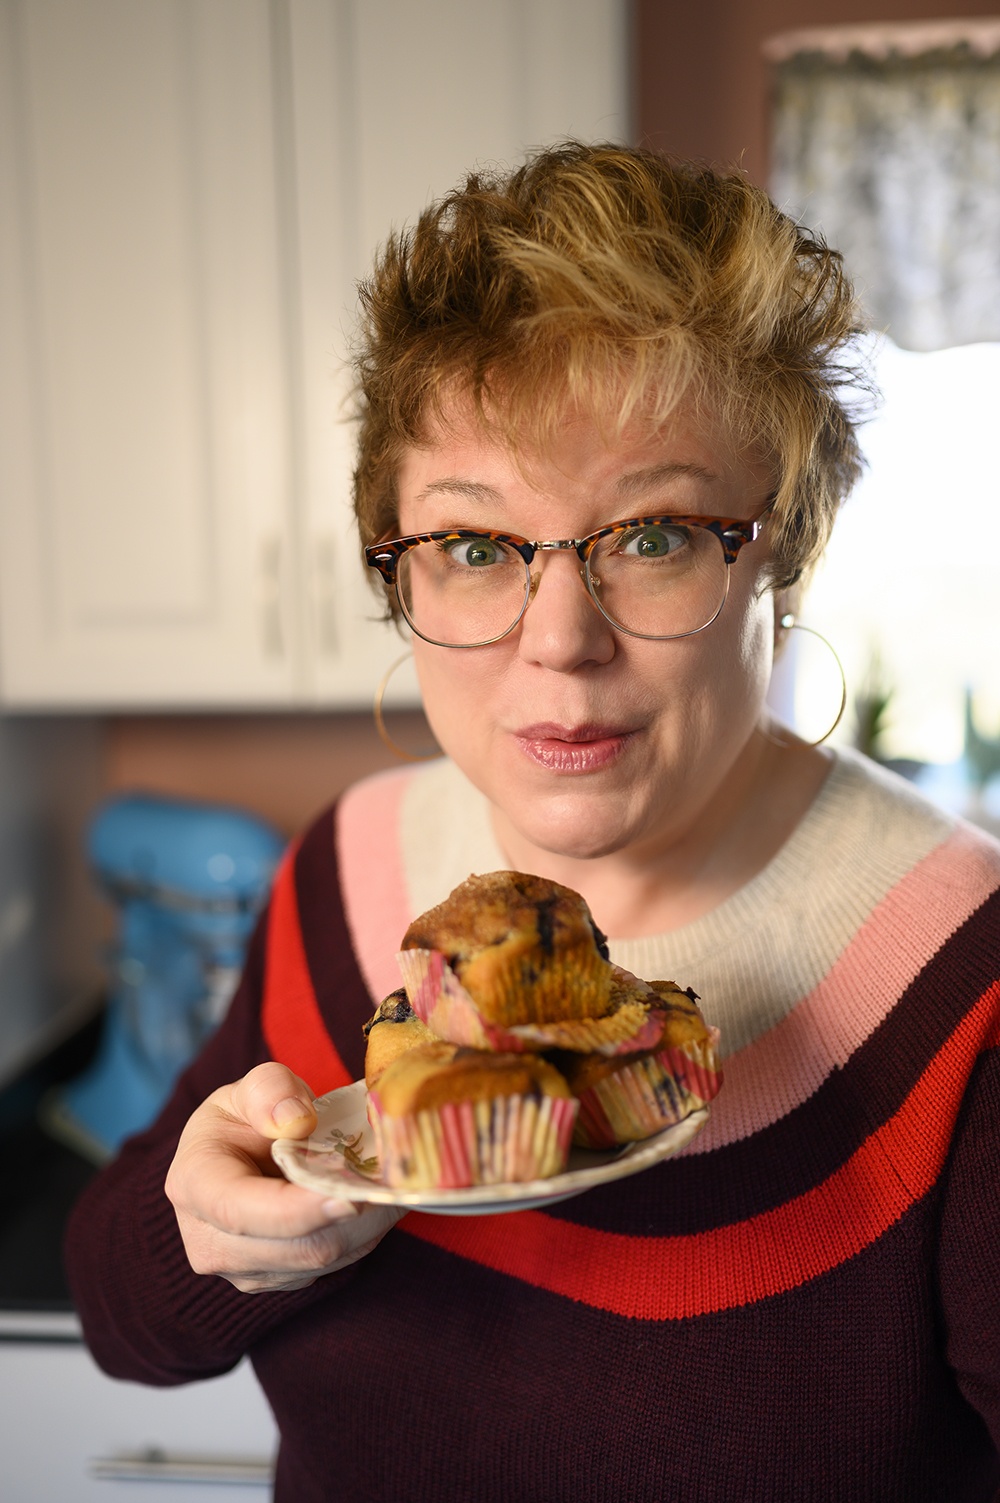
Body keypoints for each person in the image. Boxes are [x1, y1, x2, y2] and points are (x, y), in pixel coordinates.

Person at [66, 143, 1000, 1502]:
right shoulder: (344, 868)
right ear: (400, 569)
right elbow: (121, 1317)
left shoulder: (961, 967)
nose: (560, 642)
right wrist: (216, 1236)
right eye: (476, 545)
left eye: (658, 533)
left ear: (782, 549)